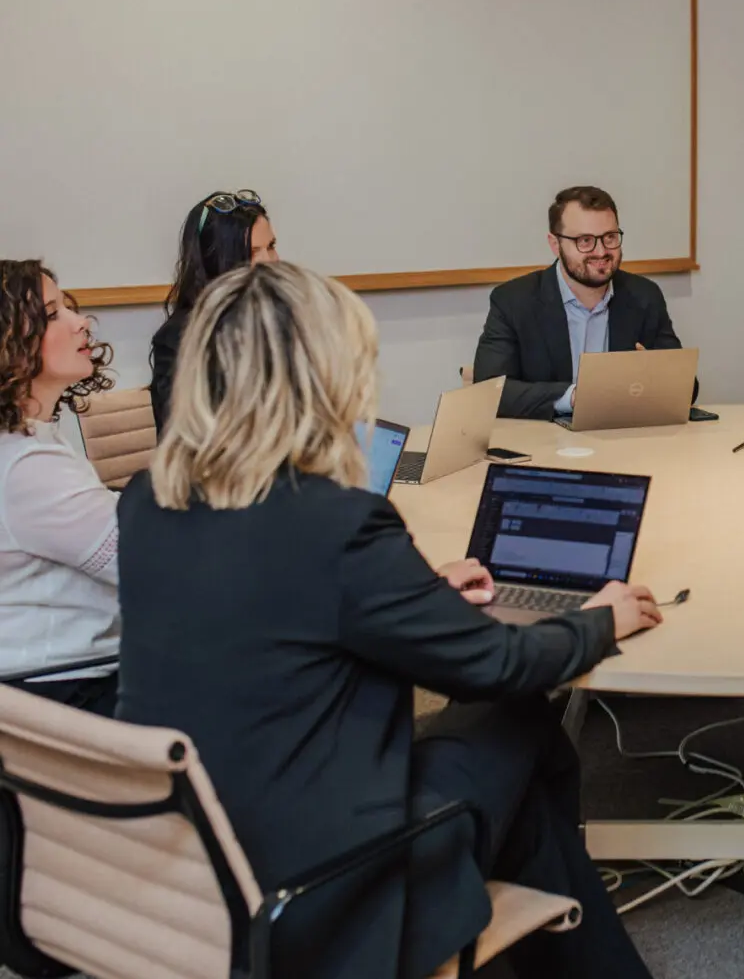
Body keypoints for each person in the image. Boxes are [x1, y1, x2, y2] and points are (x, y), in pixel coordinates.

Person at [116, 263, 660, 979]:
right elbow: (496, 664)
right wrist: (600, 620)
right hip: (315, 890)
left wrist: (409, 590)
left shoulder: (148, 501)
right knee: (520, 718)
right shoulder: (336, 524)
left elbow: (263, 606)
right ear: (324, 381)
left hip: (186, 858)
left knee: (518, 794)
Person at [0, 260, 121, 715]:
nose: (80, 323)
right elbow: (149, 564)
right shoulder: (27, 465)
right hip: (67, 696)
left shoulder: (28, 440)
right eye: (53, 315)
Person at [473, 184, 687, 420]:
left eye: (610, 237)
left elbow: (687, 386)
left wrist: (659, 376)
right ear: (555, 244)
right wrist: (574, 397)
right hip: (545, 446)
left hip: (626, 441)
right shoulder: (513, 301)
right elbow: (488, 391)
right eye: (585, 241)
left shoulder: (644, 296)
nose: (601, 251)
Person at [149, 189, 279, 431]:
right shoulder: (178, 340)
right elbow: (185, 441)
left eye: (271, 246)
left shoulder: (277, 320)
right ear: (219, 261)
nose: (270, 261)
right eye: (253, 252)